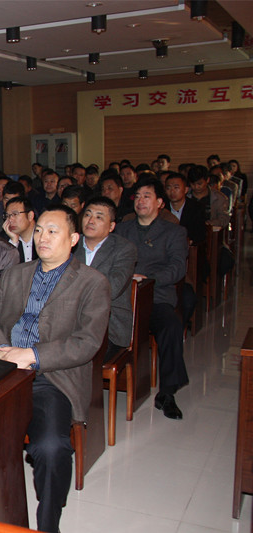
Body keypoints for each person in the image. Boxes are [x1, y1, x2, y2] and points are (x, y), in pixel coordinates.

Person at [0, 205, 110, 533]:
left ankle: (49, 524)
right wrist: (1, 350)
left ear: (73, 238)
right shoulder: (15, 274)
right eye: (38, 231)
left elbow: (86, 343)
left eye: (53, 231)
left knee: (51, 448)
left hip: (50, 377)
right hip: (2, 368)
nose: (42, 238)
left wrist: (32, 355)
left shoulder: (92, 282)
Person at [116, 177, 189, 420]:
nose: (140, 201)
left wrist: (148, 279)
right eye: (137, 196)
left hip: (156, 295)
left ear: (159, 202)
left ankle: (167, 393)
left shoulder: (174, 232)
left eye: (147, 196)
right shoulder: (122, 229)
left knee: (171, 326)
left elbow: (177, 268)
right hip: (123, 297)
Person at [74, 197, 136, 361]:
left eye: (99, 217)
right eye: (88, 215)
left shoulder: (124, 249)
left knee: (78, 355)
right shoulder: (70, 244)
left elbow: (112, 288)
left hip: (109, 325)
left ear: (111, 226)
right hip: (68, 321)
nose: (91, 221)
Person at [165, 173, 206, 245]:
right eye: (168, 188)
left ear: (186, 189)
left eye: (176, 188)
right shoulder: (161, 207)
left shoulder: (196, 208)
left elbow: (199, 235)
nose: (172, 191)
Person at [2, 197, 37, 263]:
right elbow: (4, 267)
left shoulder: (43, 236)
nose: (10, 219)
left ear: (30, 216)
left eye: (15, 214)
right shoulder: (4, 239)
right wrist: (13, 242)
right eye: (7, 216)